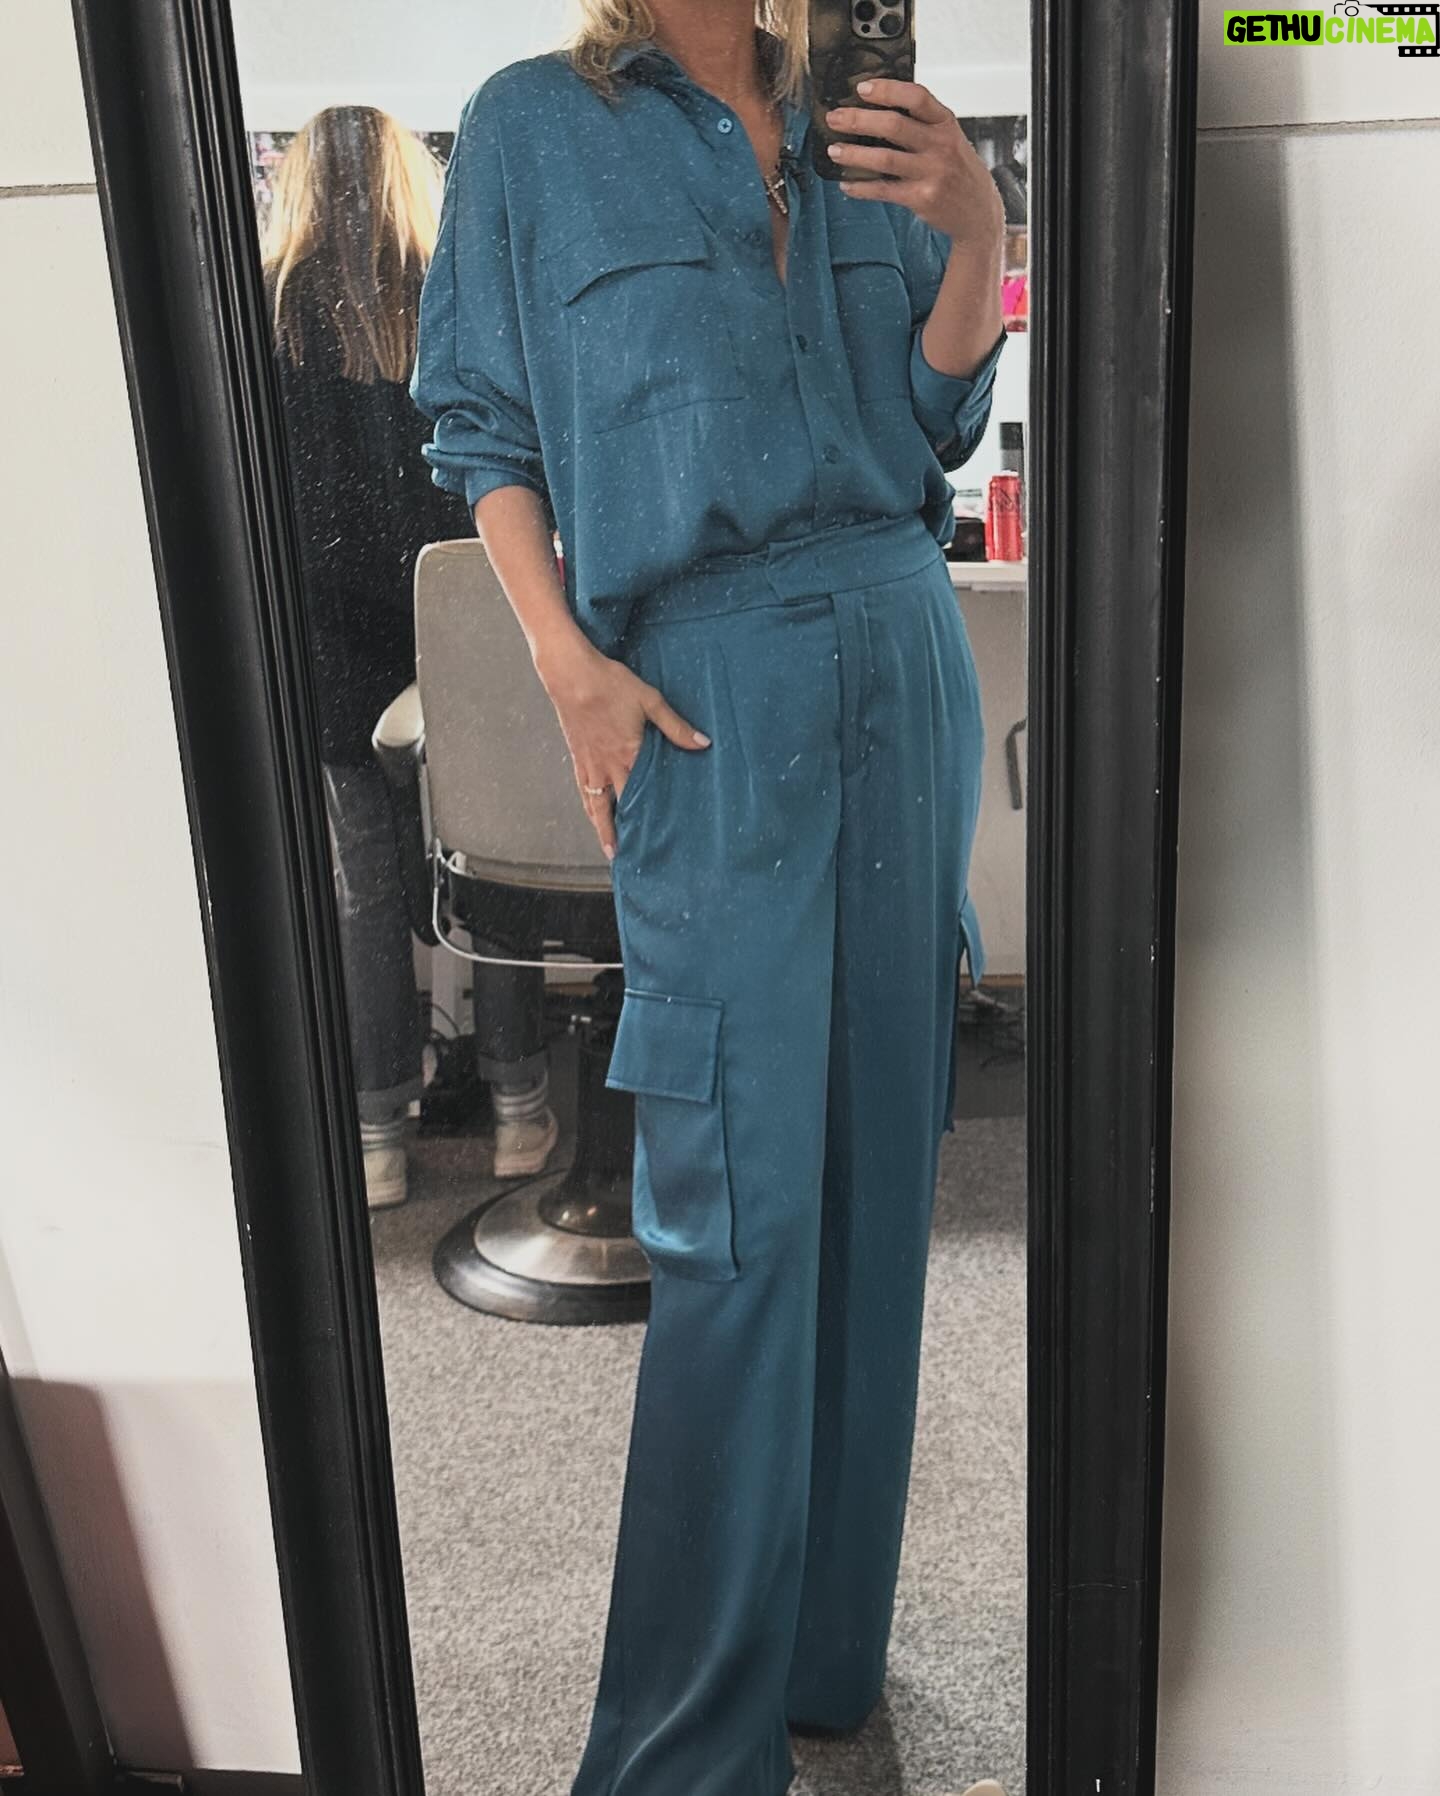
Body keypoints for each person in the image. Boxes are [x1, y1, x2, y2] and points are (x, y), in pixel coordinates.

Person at [411, 4, 1008, 1791]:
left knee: (876, 1177)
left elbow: (937, 423)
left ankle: (825, 1653)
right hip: (705, 684)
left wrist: (979, 229)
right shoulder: (532, 125)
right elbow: (483, 429)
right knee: (734, 1216)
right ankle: (682, 1755)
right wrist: (566, 665)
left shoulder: (860, 112)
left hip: (902, 641)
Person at [262, 106, 560, 1206]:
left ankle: (379, 1132)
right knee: (492, 871)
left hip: (329, 642)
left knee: (365, 892)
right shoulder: (458, 291)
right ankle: (519, 1107)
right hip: (467, 627)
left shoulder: (263, 308)